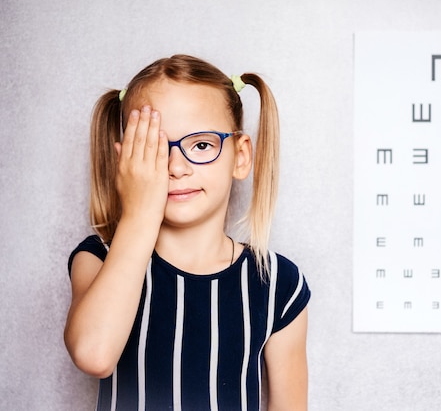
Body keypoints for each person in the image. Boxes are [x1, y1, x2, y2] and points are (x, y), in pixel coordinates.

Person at [64, 54, 310, 411]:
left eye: (202, 145)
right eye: (155, 149)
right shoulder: (97, 258)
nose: (177, 167)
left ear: (240, 156)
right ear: (125, 162)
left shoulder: (278, 284)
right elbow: (94, 354)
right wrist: (138, 212)